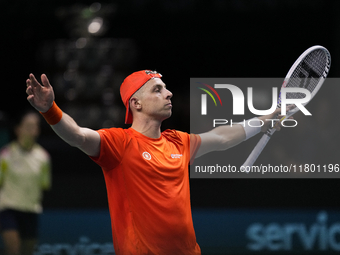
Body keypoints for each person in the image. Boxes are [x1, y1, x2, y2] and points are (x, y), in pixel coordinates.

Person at [25, 70, 280, 255]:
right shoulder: (119, 144)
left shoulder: (179, 142)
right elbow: (78, 135)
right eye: (157, 89)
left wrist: (265, 120)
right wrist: (50, 110)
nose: (168, 93)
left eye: (166, 88)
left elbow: (222, 137)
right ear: (136, 103)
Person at [0, 111, 51, 255]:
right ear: (18, 129)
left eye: (34, 126)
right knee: (13, 250)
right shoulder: (5, 155)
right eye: (28, 126)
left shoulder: (43, 158)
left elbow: (44, 185)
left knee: (27, 252)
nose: (31, 130)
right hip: (8, 209)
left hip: (30, 210)